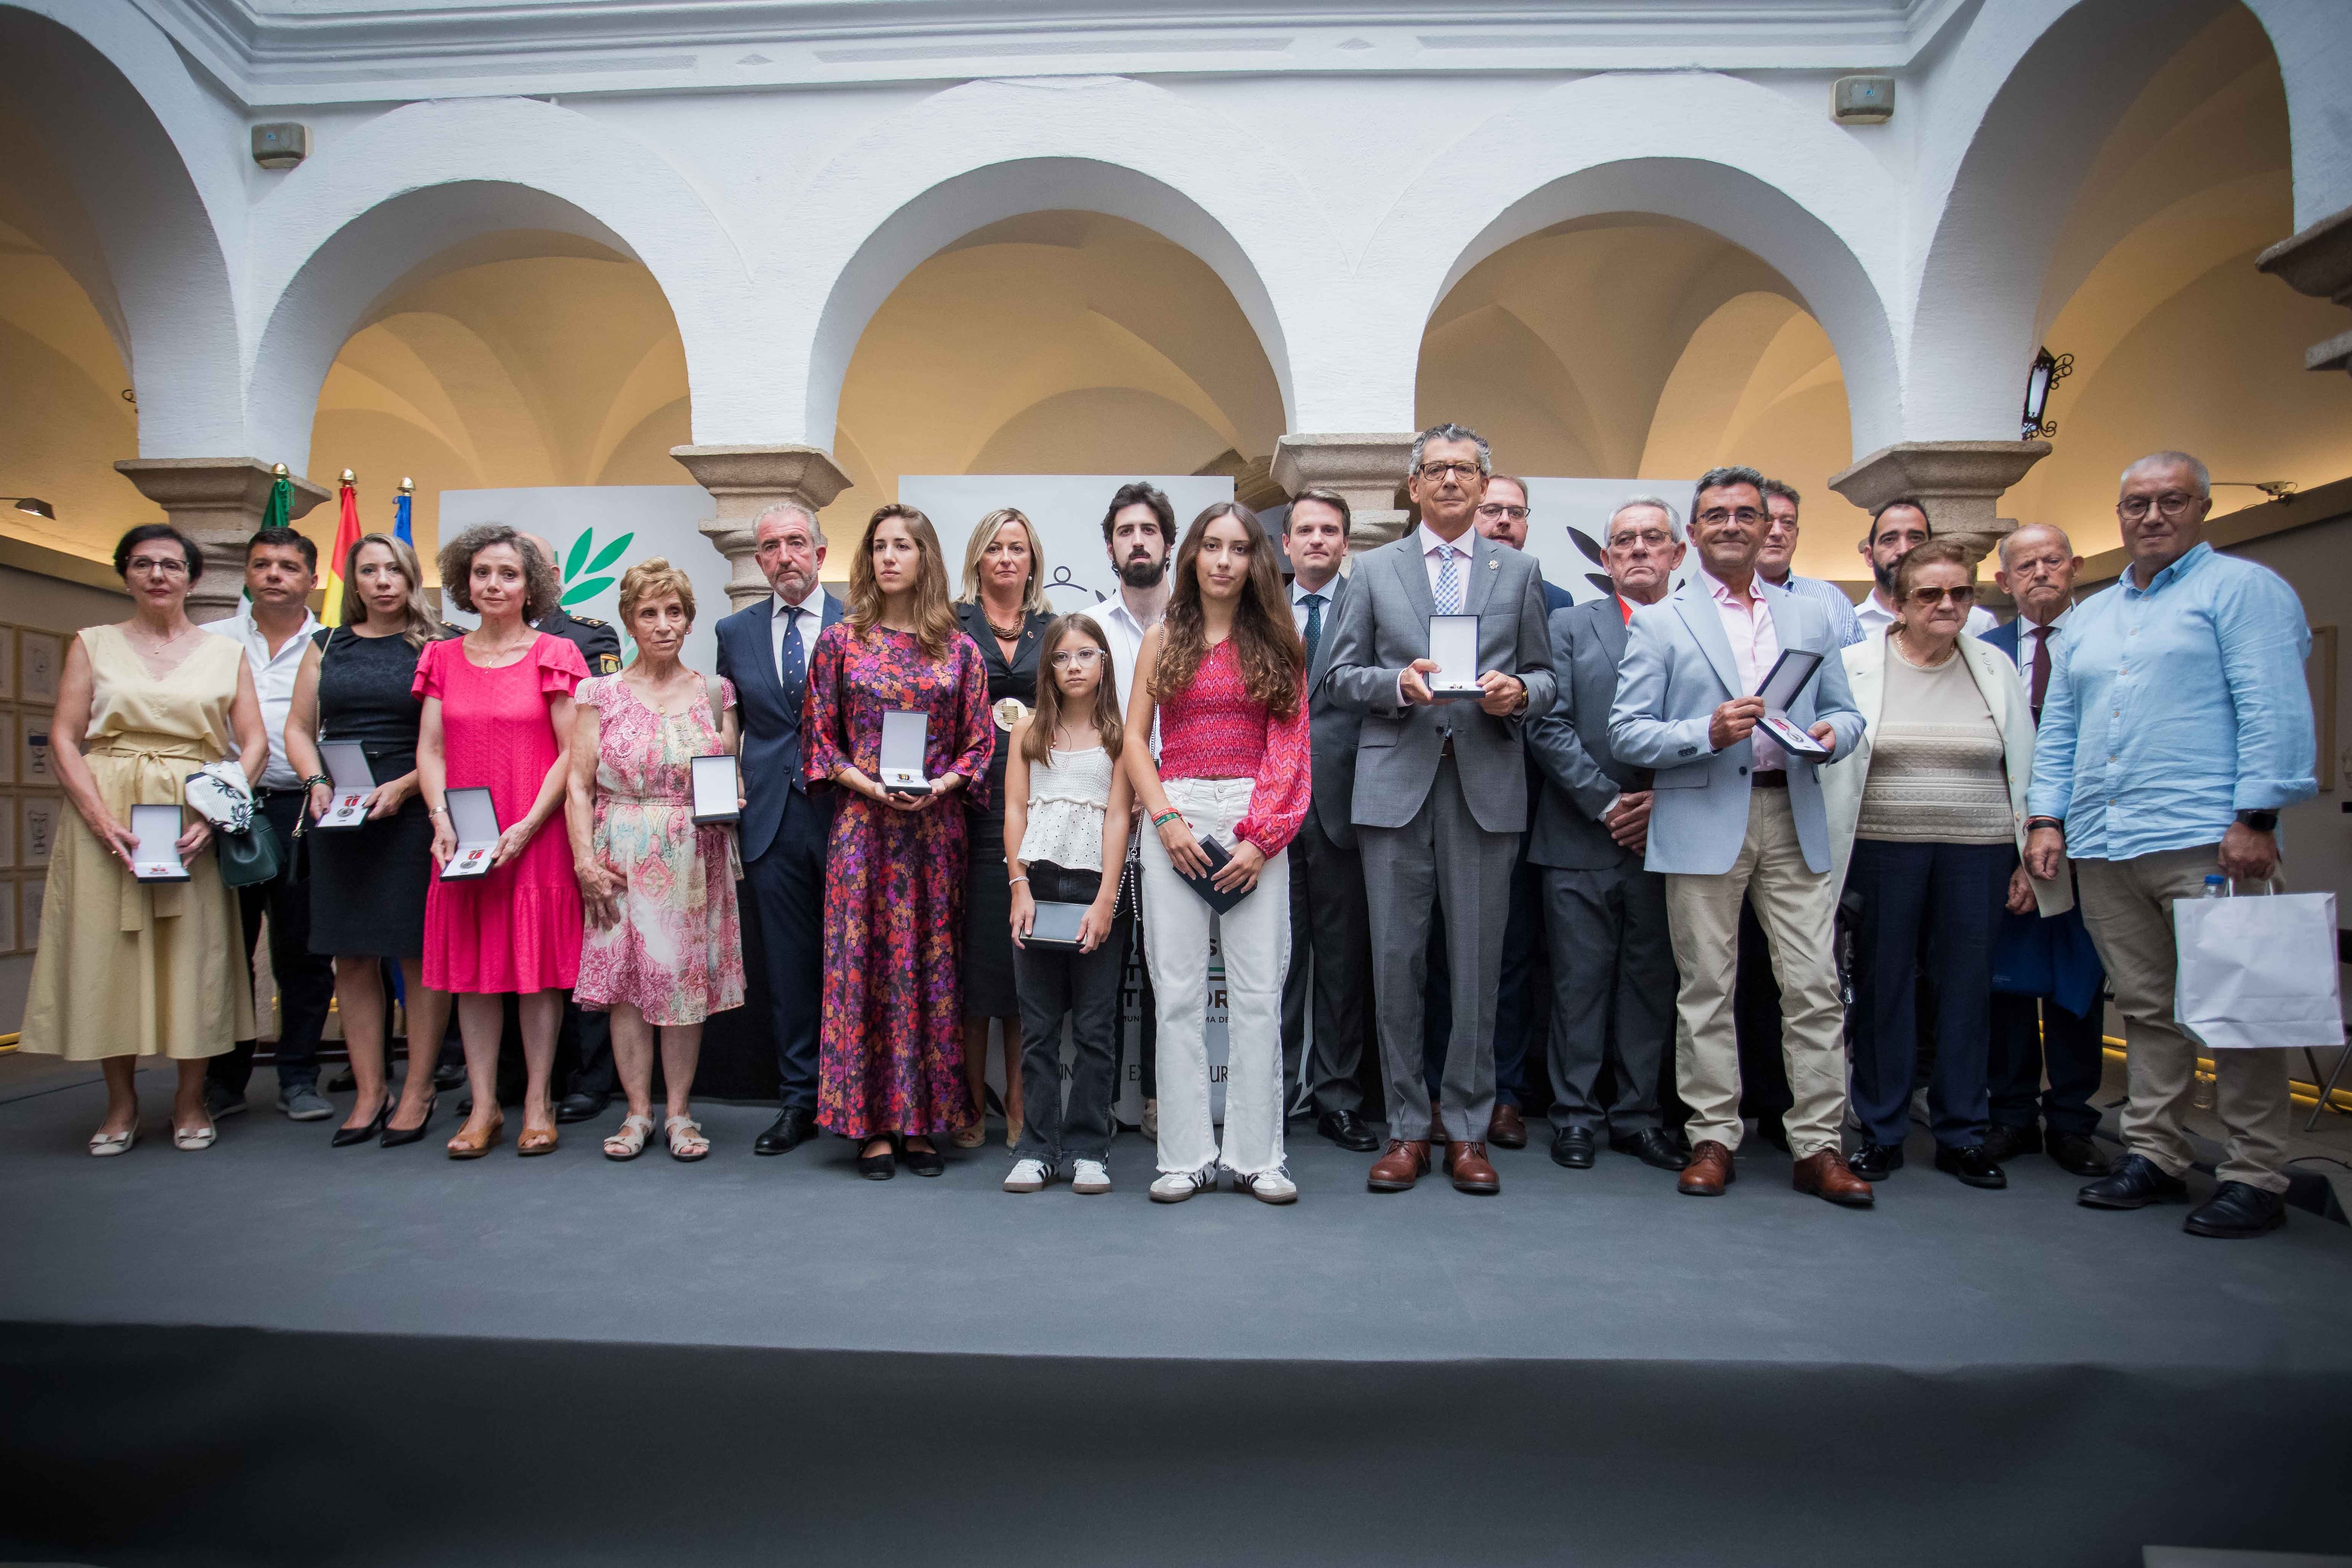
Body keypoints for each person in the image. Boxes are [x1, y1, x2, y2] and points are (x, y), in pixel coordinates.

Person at [2027, 451, 2318, 1239]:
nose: (2151, 517)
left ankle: (2255, 1171)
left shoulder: (2243, 591)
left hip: (2210, 839)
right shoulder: (2090, 616)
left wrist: (2257, 818)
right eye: (2136, 504)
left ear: (2203, 508)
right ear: (2118, 514)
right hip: (2107, 840)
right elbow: (2060, 728)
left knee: (2237, 1011)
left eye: (2170, 501)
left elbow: (2274, 705)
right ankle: (2155, 1153)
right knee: (2149, 1008)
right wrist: (2046, 818)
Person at [1608, 464, 1872, 1207]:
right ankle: (1712, 1136)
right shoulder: (1663, 618)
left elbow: (1850, 714)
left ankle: (1819, 1145)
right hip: (1700, 818)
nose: (1732, 525)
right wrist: (1705, 730)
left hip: (1791, 813)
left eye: (1746, 515)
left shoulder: (1810, 617)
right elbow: (1627, 730)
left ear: (1770, 528)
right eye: (1716, 515)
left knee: (1815, 988)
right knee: (1707, 989)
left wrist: (1830, 733)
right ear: (1693, 536)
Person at [1322, 422, 1557, 1197]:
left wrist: (1521, 692)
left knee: (1478, 969)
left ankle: (1466, 1129)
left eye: (1464, 469)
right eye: (1436, 469)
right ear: (1414, 486)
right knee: (1394, 964)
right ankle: (1404, 1126)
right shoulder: (1375, 570)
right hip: (1396, 789)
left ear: (1486, 487)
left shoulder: (1518, 570)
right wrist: (1397, 683)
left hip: (1485, 788)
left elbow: (1547, 678)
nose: (1450, 480)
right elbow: (1338, 677)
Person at [1820, 538, 2072, 1189]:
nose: (1947, 604)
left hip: (1980, 853)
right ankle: (1880, 1131)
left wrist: (2028, 855)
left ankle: (1962, 1133)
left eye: (1960, 592)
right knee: (1883, 991)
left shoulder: (1996, 667)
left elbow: (2029, 761)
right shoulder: (1853, 665)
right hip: (1880, 849)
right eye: (1930, 593)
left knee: (1967, 993)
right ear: (1899, 604)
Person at [21, 525, 267, 1153]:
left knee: (195, 956)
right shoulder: (93, 644)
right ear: (125, 574)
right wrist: (99, 819)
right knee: (110, 954)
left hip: (194, 809)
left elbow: (254, 743)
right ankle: (121, 1102)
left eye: (171, 564)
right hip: (110, 808)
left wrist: (215, 816)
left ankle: (190, 1099)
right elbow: (65, 736)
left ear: (191, 576)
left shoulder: (223, 651)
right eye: (143, 564)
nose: (158, 574)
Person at [1124, 501, 1310, 1204]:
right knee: (1175, 996)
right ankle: (1184, 1156)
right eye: (1211, 546)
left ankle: (1260, 1157)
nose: (1224, 559)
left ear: (1256, 560)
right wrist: (1166, 819)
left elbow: (1292, 748)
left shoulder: (1281, 642)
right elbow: (1136, 741)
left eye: (1238, 548)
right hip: (1176, 815)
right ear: (1192, 556)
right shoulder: (1161, 636)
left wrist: (1261, 839)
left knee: (1260, 996)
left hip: (1254, 821)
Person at [803, 503, 993, 1180]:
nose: (889, 557)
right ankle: (870, 1125)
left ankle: (921, 1122)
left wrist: (942, 786)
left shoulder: (959, 648)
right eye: (879, 546)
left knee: (930, 969)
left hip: (935, 833)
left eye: (903, 546)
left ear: (926, 558)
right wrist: (870, 784)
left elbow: (980, 744)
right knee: (866, 971)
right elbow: (820, 742)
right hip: (864, 830)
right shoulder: (840, 643)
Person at [1525, 498, 1689, 1173]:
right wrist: (1609, 801)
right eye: (1624, 541)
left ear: (1678, 554)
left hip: (1673, 835)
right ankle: (1574, 1115)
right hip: (1579, 835)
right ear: (1605, 558)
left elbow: (1713, 728)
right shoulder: (1567, 624)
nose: (1638, 550)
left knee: (1651, 982)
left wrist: (1661, 805)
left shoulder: (1698, 629)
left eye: (1653, 539)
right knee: (1577, 984)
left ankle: (1639, 1116)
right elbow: (1546, 721)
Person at [564, 558, 745, 1163]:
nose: (663, 624)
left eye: (675, 612)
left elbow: (729, 772)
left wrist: (734, 795)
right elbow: (578, 785)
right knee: (625, 989)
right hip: (617, 853)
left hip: (693, 854)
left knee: (681, 988)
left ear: (690, 621)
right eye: (649, 613)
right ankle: (637, 1112)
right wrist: (584, 861)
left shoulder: (716, 692)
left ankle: (680, 1114)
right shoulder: (598, 694)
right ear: (629, 621)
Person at [415, 526, 588, 1158]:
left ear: (530, 585)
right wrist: (440, 818)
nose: (494, 584)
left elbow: (572, 752)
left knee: (538, 975)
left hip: (532, 835)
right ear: (466, 581)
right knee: (473, 974)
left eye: (509, 574)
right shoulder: (441, 657)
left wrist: (528, 825)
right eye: (483, 573)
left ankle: (538, 1101)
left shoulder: (556, 653)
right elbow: (430, 749)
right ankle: (485, 1105)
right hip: (462, 841)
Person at [283, 533, 453, 1146]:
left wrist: (407, 787)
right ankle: (369, 1089)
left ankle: (418, 1089)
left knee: (416, 954)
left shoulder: (438, 646)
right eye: (370, 570)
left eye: (394, 570)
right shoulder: (325, 645)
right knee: (351, 957)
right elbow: (299, 728)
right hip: (339, 811)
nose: (383, 580)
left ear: (412, 578)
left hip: (410, 811)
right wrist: (314, 780)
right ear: (352, 582)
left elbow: (448, 740)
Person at [1446, 471, 1572, 1149]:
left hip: (1512, 792)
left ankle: (1505, 1093)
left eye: (1512, 512)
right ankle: (1443, 1091)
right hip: (1434, 786)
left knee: (1510, 952)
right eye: (1490, 510)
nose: (1500, 521)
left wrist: (1520, 690)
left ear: (1527, 522)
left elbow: (1552, 690)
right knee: (1440, 953)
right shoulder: (1433, 584)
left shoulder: (1550, 596)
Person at [1980, 523, 2110, 1177]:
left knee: (2077, 987)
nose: (2041, 573)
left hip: (2095, 841)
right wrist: (2016, 846)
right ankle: (2008, 1115)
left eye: (2052, 560)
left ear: (2076, 566)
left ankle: (2072, 1122)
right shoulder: (1986, 652)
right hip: (2005, 843)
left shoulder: (2107, 636)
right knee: (2006, 985)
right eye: (2024, 565)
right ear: (2003, 581)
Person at [713, 503, 842, 1157]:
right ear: (759, 560)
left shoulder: (861, 621)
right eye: (771, 546)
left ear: (821, 553)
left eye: (797, 542)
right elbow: (727, 726)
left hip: (849, 816)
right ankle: (799, 1100)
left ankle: (855, 1098)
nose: (785, 555)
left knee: (853, 963)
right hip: (769, 819)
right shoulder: (732, 631)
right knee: (790, 972)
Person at [200, 528, 338, 1123]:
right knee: (222, 948)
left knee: (301, 950)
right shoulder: (210, 641)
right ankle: (221, 1080)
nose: (273, 574)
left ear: (313, 578)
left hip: (301, 808)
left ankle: (299, 1076)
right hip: (221, 811)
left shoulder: (333, 645)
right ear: (247, 575)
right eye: (261, 564)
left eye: (288, 566)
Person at [1001, 613, 1135, 1194]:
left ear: (1103, 662)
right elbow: (1015, 811)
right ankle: (1035, 1147)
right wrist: (1018, 886)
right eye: (1061, 656)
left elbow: (1119, 817)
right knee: (1036, 1028)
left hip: (1094, 890)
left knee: (1095, 1028)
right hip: (1039, 887)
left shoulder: (1120, 734)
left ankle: (1087, 1148)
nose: (1073, 666)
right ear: (1048, 667)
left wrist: (1106, 899)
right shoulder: (1027, 731)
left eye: (1085, 655)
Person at [511, 532, 625, 1129]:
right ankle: (515, 1079)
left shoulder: (586, 636)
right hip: (505, 804)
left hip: (573, 809)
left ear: (549, 573)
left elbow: (600, 734)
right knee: (512, 947)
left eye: (528, 565)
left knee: (585, 948)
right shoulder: (470, 645)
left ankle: (588, 1079)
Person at [1277, 488, 1378, 1153]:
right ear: (1285, 543)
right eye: (1305, 530)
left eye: (1330, 530)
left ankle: (1339, 1097)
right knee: (1278, 963)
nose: (1317, 539)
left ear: (1346, 543)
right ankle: (1275, 1093)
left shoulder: (1366, 605)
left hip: (1346, 809)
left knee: (1342, 967)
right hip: (1271, 812)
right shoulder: (1259, 611)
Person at [953, 508, 1057, 1150]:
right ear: (978, 560)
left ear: (1033, 559)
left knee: (1027, 956)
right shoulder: (952, 626)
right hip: (967, 803)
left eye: (1017, 547)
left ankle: (1020, 1097)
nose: (1007, 558)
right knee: (972, 959)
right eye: (995, 547)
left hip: (1041, 800)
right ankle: (969, 1102)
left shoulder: (1055, 628)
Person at [1097, 481, 1178, 1139]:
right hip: (1102, 809)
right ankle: (1092, 1101)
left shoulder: (1197, 625)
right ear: (1110, 547)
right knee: (1099, 958)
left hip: (1177, 810)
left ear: (1170, 543)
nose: (1138, 541)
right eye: (1126, 531)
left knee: (1165, 964)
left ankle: (1156, 1097)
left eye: (1149, 529)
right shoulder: (1089, 627)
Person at [1853, 499, 1997, 638]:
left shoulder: (1978, 624)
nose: (1904, 550)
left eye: (1916, 538)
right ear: (1869, 556)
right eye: (1889, 540)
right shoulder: (1849, 625)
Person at [1757, 479, 1864, 648]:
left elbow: (1857, 670)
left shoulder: (1832, 600)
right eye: (1767, 521)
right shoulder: (1725, 598)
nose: (1777, 532)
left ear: (1796, 534)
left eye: (1788, 523)